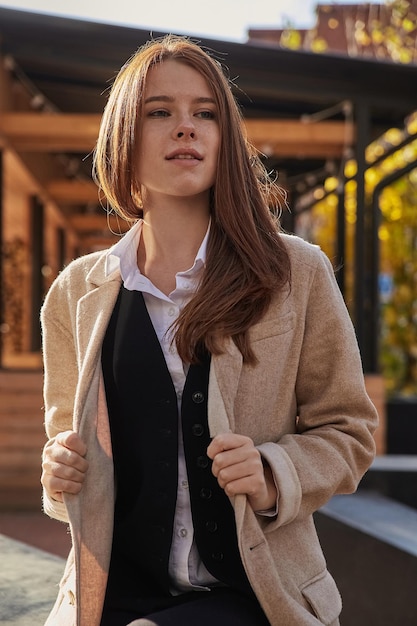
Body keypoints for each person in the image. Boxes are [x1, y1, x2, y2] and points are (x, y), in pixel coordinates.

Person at [40, 34, 378, 626]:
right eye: (159, 113)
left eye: (205, 113)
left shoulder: (295, 272)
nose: (185, 128)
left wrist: (275, 473)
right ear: (124, 135)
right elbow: (69, 470)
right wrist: (58, 476)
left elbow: (349, 431)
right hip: (113, 593)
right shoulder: (74, 294)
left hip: (253, 593)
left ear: (225, 136)